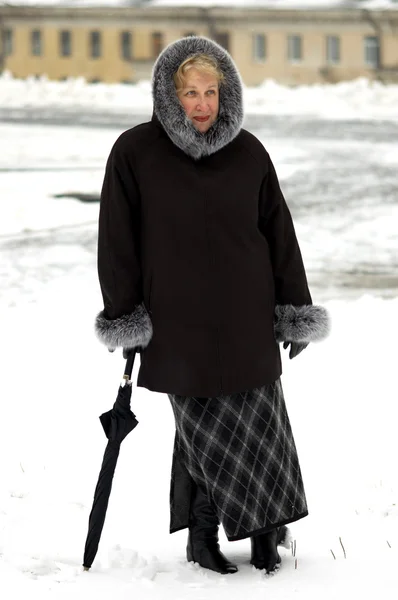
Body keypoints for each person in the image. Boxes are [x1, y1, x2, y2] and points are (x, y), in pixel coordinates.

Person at [94, 36, 330, 576]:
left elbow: (279, 233)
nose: (202, 104)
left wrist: (294, 305)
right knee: (202, 428)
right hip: (177, 321)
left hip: (246, 314)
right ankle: (203, 535)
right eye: (190, 94)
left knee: (263, 424)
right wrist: (125, 314)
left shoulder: (249, 152)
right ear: (167, 97)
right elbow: (117, 242)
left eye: (211, 92)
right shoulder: (134, 152)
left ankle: (267, 535)